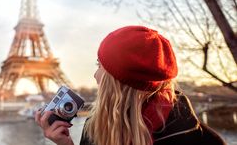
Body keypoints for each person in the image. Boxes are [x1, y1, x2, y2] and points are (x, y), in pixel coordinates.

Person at [35, 26, 225, 145]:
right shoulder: (93, 128)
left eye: (100, 66)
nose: (95, 75)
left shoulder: (97, 129)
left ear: (118, 83)